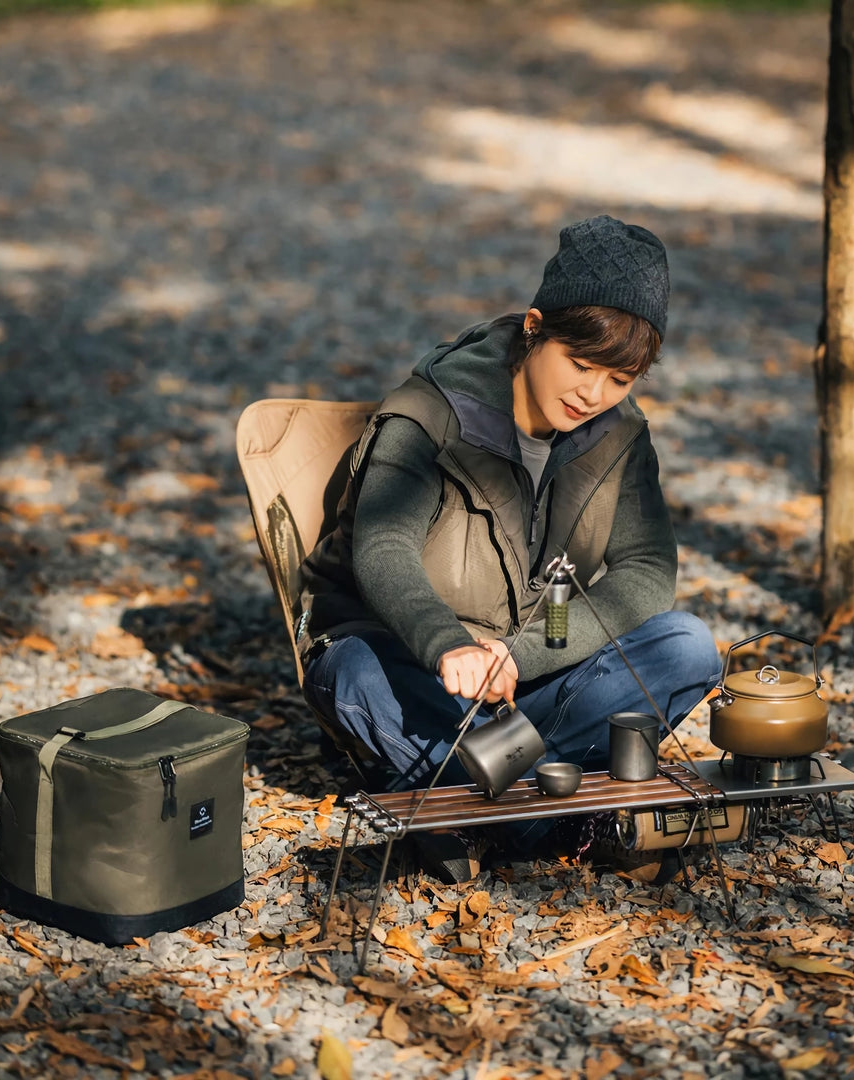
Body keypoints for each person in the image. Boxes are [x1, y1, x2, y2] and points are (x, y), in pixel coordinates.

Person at [298, 215, 721, 881]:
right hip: (420, 671)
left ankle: (471, 811)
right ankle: (561, 815)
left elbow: (645, 571)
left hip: (529, 676)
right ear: (533, 329)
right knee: (351, 672)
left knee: (688, 646)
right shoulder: (428, 415)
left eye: (620, 379)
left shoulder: (620, 435)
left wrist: (521, 652)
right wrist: (449, 645)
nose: (594, 394)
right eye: (581, 366)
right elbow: (383, 548)